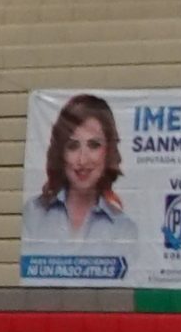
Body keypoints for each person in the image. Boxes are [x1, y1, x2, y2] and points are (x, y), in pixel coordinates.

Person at [25, 92, 136, 247]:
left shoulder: (124, 229)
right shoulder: (33, 213)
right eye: (73, 146)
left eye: (94, 145)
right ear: (61, 153)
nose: (82, 160)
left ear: (108, 151)